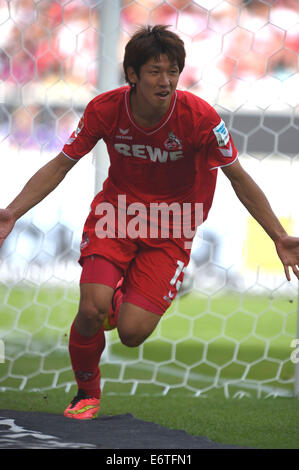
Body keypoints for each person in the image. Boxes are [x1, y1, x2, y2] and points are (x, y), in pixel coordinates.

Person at [0, 25, 299, 420]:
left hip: (174, 227)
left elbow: (238, 177)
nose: (166, 81)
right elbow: (61, 164)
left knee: (132, 333)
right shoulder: (104, 109)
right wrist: (11, 212)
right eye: (155, 71)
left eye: (173, 71)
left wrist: (277, 235)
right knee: (91, 310)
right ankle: (87, 391)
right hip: (118, 214)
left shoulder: (201, 119)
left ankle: (121, 296)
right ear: (132, 75)